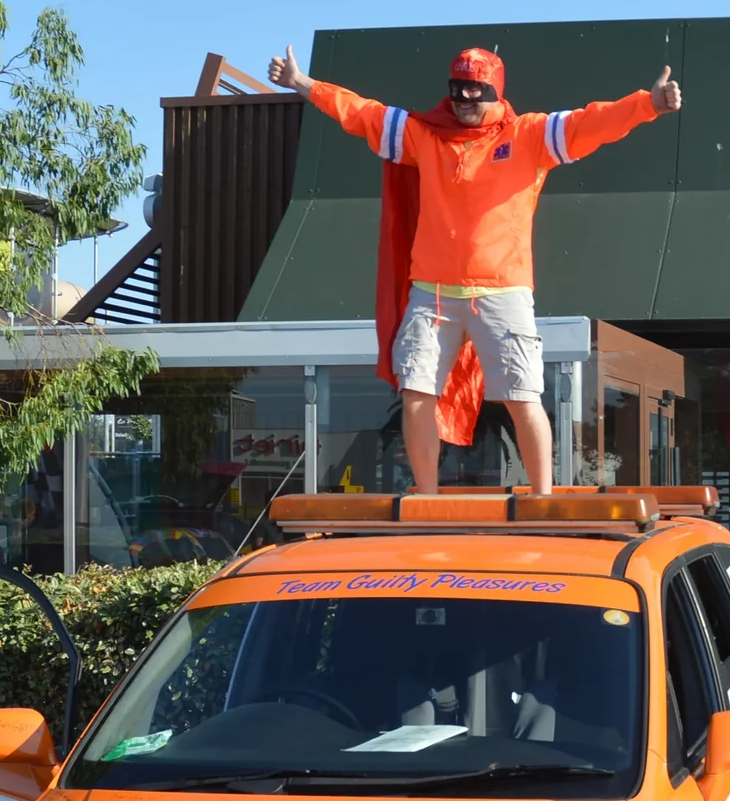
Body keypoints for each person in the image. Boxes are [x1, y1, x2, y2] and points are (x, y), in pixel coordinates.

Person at [269, 44, 681, 495]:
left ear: (495, 92)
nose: (464, 100)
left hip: (502, 292)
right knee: (416, 393)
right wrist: (302, 83)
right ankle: (426, 499)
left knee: (523, 398)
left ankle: (542, 500)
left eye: (475, 91)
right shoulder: (424, 134)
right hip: (433, 293)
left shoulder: (529, 134)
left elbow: (590, 122)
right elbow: (363, 113)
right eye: (457, 91)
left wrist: (649, 105)